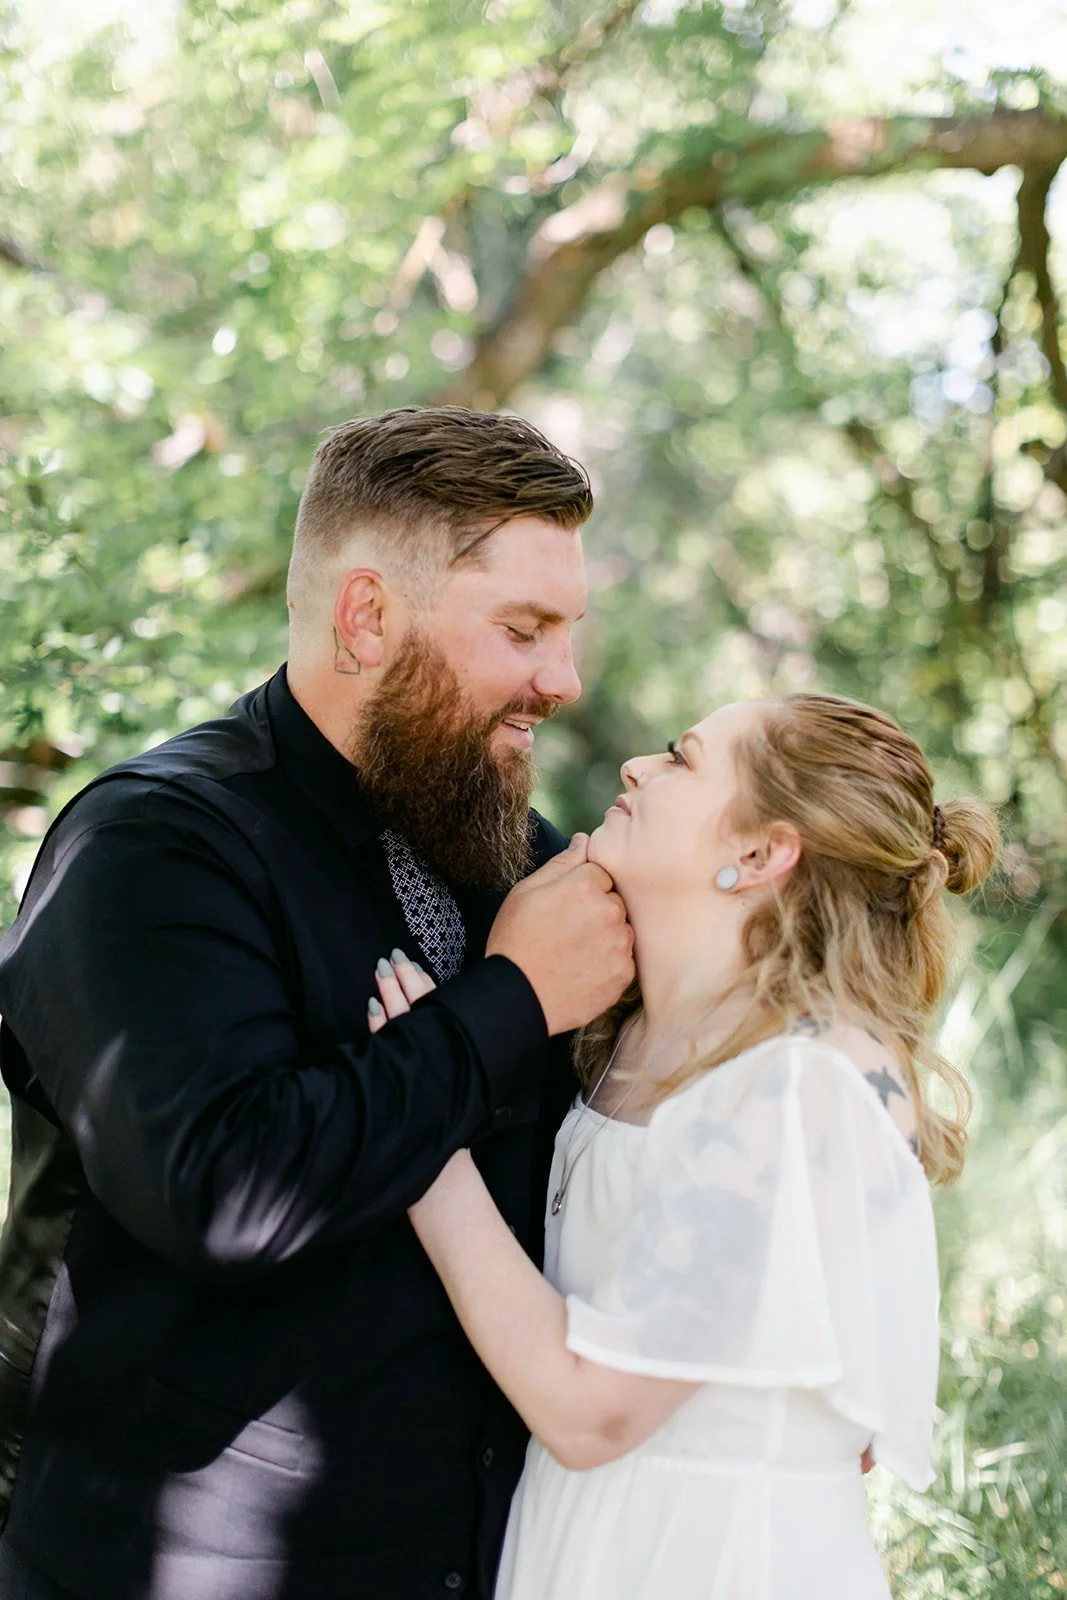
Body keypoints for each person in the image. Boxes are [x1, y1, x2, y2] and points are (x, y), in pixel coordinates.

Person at [0, 406, 635, 1600]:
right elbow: (221, 1188)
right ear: (365, 616)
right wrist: (509, 1002)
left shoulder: (515, 853)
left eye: (567, 631)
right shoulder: (152, 845)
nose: (562, 679)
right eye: (522, 629)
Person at [367, 693, 1000, 1600]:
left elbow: (592, 1410)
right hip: (580, 1542)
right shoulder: (618, 1038)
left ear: (759, 852)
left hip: (714, 1560)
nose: (636, 768)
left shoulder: (802, 1080)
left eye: (680, 758)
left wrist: (418, 1131)